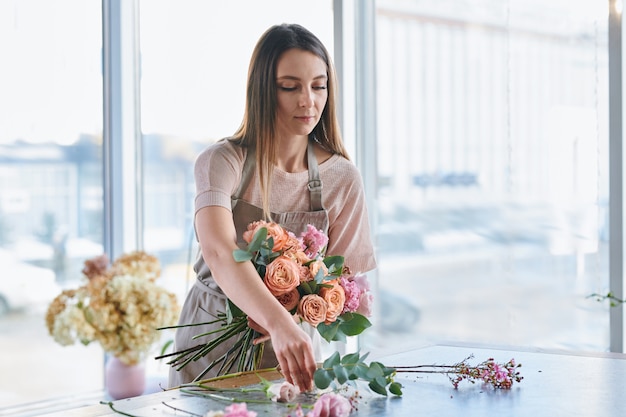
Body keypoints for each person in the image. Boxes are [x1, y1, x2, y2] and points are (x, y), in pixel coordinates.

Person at [168, 23, 376, 392]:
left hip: (290, 361)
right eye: (289, 86)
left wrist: (294, 315)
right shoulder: (221, 162)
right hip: (209, 350)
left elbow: (348, 287)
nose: (307, 101)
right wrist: (277, 319)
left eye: (318, 85)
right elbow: (219, 250)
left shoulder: (342, 178)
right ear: (263, 90)